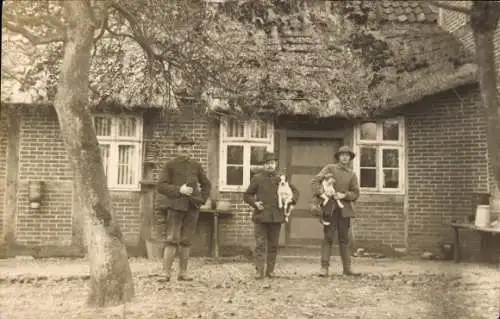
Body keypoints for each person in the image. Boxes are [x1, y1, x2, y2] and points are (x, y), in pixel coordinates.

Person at [156, 135, 211, 282]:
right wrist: (178, 190)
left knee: (186, 240)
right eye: (182, 146)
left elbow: (207, 184)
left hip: (192, 207)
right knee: (172, 239)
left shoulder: (196, 166)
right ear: (177, 148)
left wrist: (201, 200)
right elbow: (161, 186)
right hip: (175, 207)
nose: (185, 149)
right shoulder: (170, 165)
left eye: (188, 146)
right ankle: (166, 273)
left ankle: (183, 273)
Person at [244, 151, 299, 279]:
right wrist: (255, 203)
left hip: (276, 217)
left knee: (273, 245)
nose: (270, 166)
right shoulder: (257, 178)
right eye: (267, 163)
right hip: (261, 216)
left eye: (272, 163)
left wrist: (291, 200)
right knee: (260, 244)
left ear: (276, 164)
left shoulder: (281, 178)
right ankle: (259, 271)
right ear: (264, 165)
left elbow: (295, 191)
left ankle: (270, 271)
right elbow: (247, 195)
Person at [311, 146, 361, 277]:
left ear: (350, 158)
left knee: (344, 239)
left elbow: (356, 193)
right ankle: (324, 268)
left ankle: (347, 268)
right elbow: (315, 181)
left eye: (347, 155)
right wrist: (323, 192)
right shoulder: (329, 168)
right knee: (328, 238)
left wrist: (344, 196)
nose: (345, 157)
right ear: (338, 156)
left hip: (344, 211)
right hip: (330, 209)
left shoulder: (352, 174)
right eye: (342, 155)